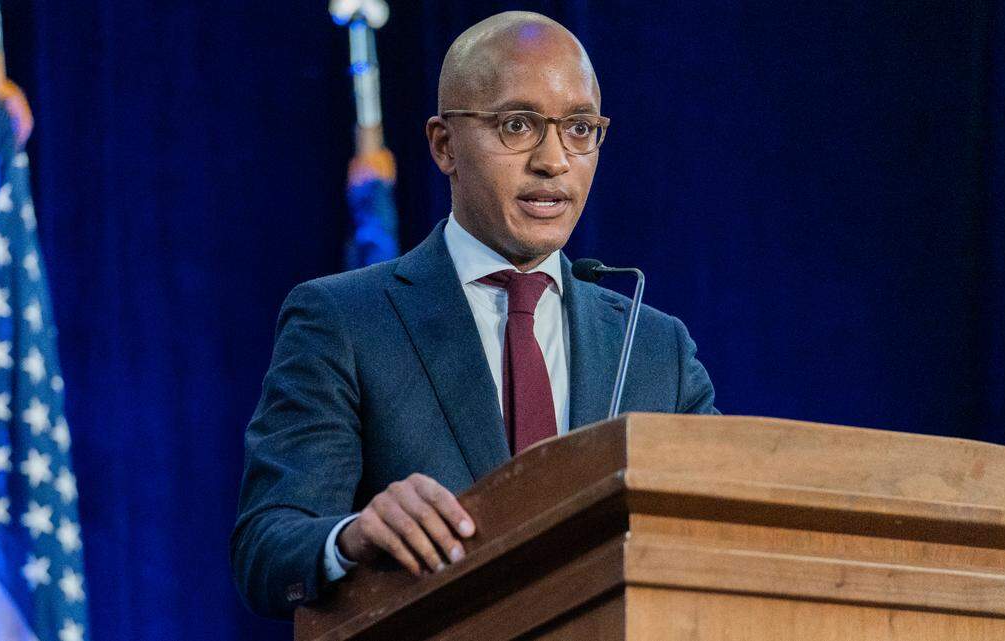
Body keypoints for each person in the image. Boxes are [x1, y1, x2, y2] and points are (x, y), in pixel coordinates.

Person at [231, 10, 717, 619]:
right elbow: (267, 546)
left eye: (580, 128)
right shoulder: (343, 320)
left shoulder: (654, 348)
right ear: (444, 145)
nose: (553, 160)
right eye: (518, 125)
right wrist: (352, 536)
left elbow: (715, 535)